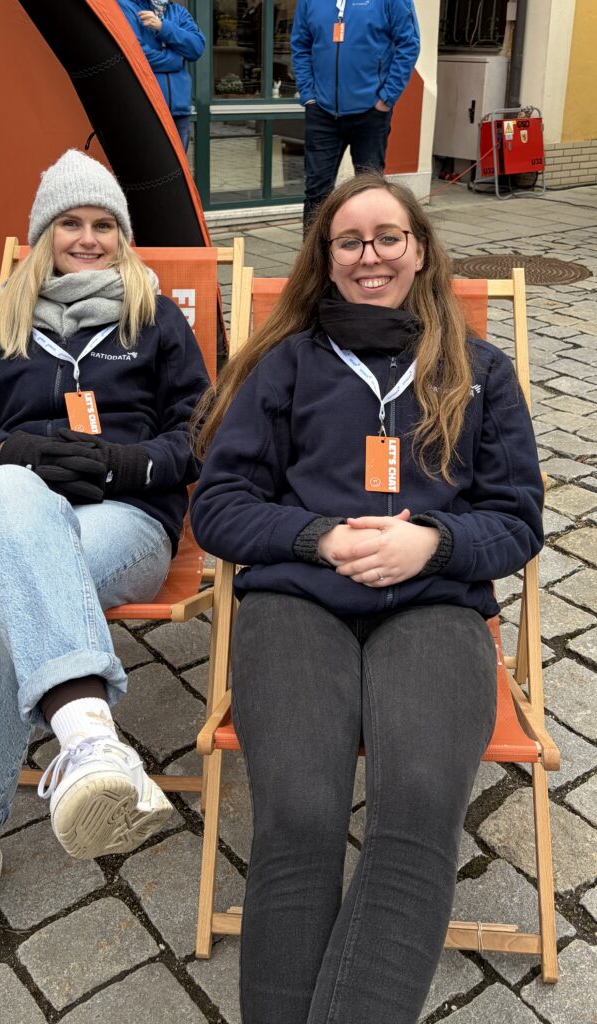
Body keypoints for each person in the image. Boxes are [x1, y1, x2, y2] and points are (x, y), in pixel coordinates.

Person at [190, 174, 543, 1024]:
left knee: (416, 816)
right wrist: (316, 536)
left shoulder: (478, 371)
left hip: (434, 607)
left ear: (419, 251)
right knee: (298, 816)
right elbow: (219, 508)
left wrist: (435, 542)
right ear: (326, 258)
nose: (369, 255)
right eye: (348, 241)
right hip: (295, 604)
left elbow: (516, 520)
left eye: (388, 237)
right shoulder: (282, 364)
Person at [0, 149, 209, 994]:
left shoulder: (156, 323)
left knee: (2, 606)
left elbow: (200, 435)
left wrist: (123, 464)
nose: (87, 237)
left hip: (122, 523)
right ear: (42, 235)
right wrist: (14, 453)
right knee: (7, 496)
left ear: (122, 237)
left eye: (103, 224)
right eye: (71, 222)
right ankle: (91, 740)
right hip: (2, 514)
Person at [291, 0, 420, 233]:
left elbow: (409, 43)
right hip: (322, 112)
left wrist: (387, 98)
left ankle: (368, 249)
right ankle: (314, 255)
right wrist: (308, 94)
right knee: (316, 193)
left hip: (371, 112)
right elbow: (300, 45)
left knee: (370, 192)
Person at [118, 0, 205, 151]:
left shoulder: (178, 11)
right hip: (147, 109)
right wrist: (177, 59)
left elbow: (196, 47)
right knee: (146, 163)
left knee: (178, 165)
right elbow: (136, 55)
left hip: (179, 112)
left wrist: (163, 27)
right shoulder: (127, 7)